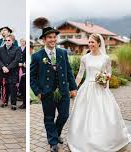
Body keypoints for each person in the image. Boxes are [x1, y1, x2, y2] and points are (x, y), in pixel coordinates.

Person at [67, 33, 131, 151]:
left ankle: (105, 140)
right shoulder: (85, 58)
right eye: (89, 42)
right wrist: (74, 88)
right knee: (84, 114)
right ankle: (83, 140)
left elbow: (109, 72)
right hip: (87, 88)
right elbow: (80, 75)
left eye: (93, 42)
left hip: (101, 89)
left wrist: (106, 77)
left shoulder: (105, 58)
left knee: (103, 114)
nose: (90, 44)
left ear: (98, 43)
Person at [30, 17, 77, 152]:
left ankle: (55, 134)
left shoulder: (62, 53)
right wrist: (38, 91)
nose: (53, 40)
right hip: (47, 93)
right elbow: (32, 77)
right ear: (44, 40)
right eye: (49, 37)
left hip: (63, 91)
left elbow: (68, 71)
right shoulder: (37, 56)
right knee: (49, 118)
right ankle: (53, 142)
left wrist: (73, 87)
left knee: (64, 115)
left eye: (54, 37)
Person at [0, 35, 20, 110]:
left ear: (12, 41)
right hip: (3, 71)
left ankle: (13, 104)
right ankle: (4, 102)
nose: (7, 41)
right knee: (4, 87)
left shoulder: (17, 49)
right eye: (6, 40)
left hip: (13, 72)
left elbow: (16, 60)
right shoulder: (0, 49)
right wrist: (3, 67)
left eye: (9, 40)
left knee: (13, 88)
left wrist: (8, 68)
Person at [18, 38, 26, 109]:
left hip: (24, 67)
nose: (22, 42)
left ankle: (24, 101)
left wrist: (24, 64)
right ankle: (19, 94)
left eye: (23, 41)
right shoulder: (18, 48)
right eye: (21, 41)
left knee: (23, 84)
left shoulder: (27, 48)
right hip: (18, 66)